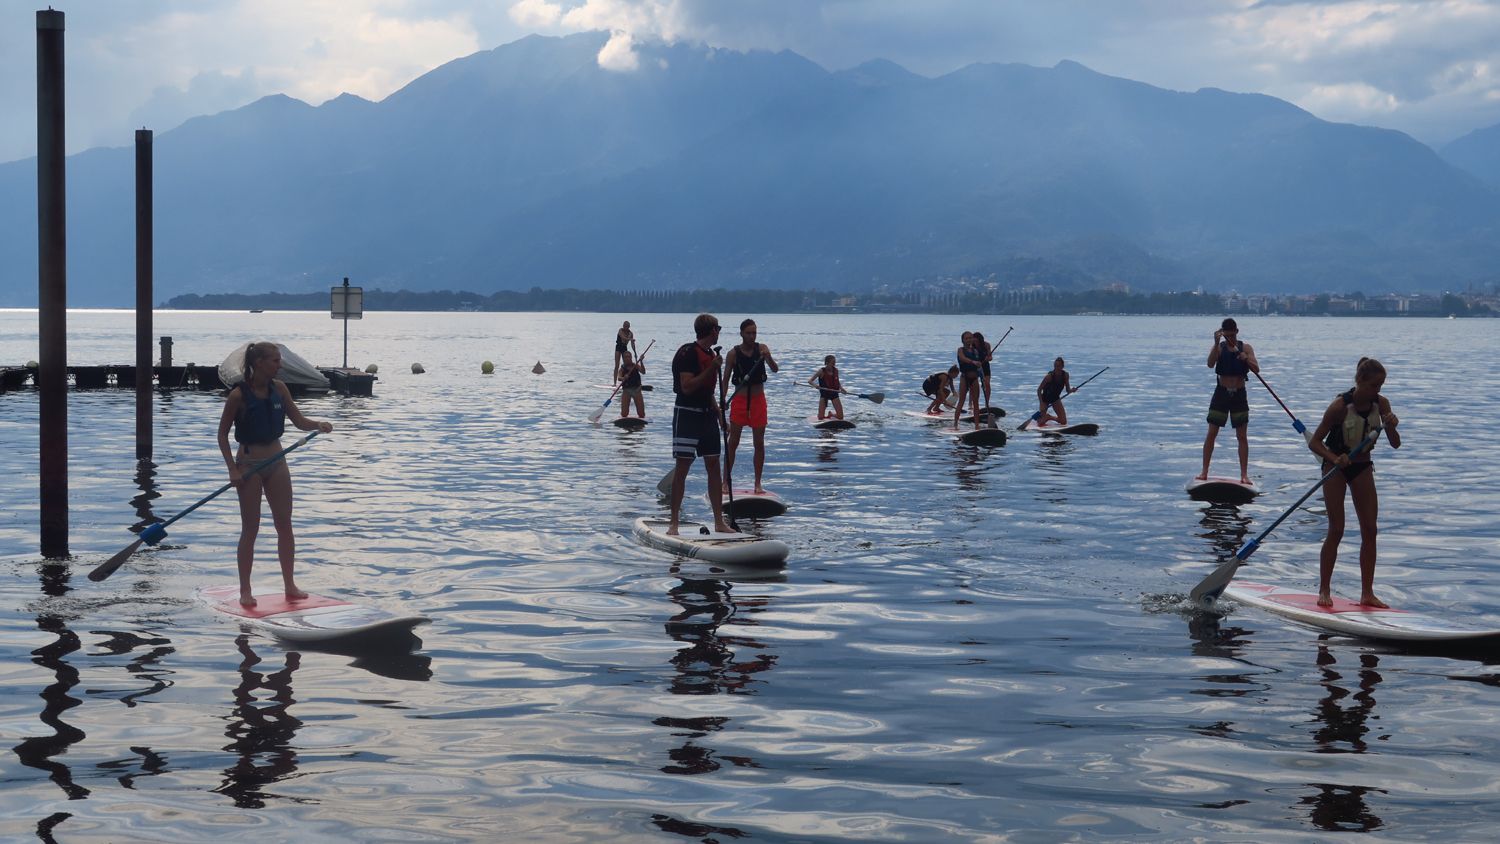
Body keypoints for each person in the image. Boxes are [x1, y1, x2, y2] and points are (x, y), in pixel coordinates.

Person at [217, 342, 334, 607]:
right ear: (259, 363)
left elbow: (300, 422)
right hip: (249, 466)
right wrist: (232, 469)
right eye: (275, 361)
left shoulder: (279, 389)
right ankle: (245, 590)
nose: (279, 365)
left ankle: (290, 585)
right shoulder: (238, 395)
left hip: (277, 462)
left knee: (284, 524)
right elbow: (222, 435)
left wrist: (319, 424)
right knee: (251, 528)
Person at [1310, 357, 1400, 608]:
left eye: (1380, 386)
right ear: (1360, 381)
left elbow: (1395, 443)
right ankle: (1324, 589)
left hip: (1362, 466)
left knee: (1370, 529)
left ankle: (1367, 593)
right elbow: (1315, 442)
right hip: (1335, 467)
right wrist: (1333, 458)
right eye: (1373, 385)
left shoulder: (1382, 404)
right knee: (1336, 529)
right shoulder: (1339, 407)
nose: (1377, 391)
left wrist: (1391, 426)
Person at [667, 314, 729, 536]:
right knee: (683, 467)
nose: (719, 332)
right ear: (712, 331)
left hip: (707, 415)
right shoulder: (687, 353)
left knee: (714, 466)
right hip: (687, 415)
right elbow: (687, 387)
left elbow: (708, 391)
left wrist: (719, 414)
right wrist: (712, 368)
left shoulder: (711, 354)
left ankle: (719, 521)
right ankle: (674, 523)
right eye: (718, 328)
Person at [1198, 318, 1260, 485]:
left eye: (1232, 335)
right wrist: (1215, 343)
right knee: (1212, 433)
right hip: (1221, 394)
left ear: (1237, 332)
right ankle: (1204, 471)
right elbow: (1210, 364)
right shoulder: (1219, 348)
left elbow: (1256, 368)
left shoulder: (1246, 348)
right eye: (1227, 336)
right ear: (1223, 333)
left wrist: (1246, 358)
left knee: (1242, 436)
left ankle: (1244, 475)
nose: (1230, 338)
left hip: (1239, 395)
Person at [722, 319, 779, 494]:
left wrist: (768, 356)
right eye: (748, 333)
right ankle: (725, 482)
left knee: (759, 443)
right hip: (739, 401)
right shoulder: (733, 354)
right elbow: (725, 380)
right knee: (733, 442)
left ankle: (757, 483)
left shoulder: (762, 349)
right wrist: (722, 400)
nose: (752, 336)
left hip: (758, 401)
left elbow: (775, 369)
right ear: (741, 333)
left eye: (754, 333)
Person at [953, 332, 984, 430]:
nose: (969, 340)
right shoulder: (960, 350)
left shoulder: (975, 351)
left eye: (970, 338)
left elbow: (980, 366)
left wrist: (983, 378)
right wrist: (973, 362)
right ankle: (955, 424)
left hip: (975, 379)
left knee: (976, 402)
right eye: (966, 338)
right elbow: (963, 358)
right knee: (961, 401)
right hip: (964, 378)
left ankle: (977, 425)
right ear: (963, 340)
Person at [1035, 357, 1073, 427]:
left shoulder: (1065, 375)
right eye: (1055, 366)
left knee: (1063, 422)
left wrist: (1072, 390)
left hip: (1055, 398)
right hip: (1045, 399)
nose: (1056, 368)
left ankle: (1049, 417)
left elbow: (1068, 390)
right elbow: (1039, 390)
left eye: (1058, 366)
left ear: (1062, 366)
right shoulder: (1049, 377)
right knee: (1040, 423)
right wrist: (1041, 403)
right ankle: (1042, 417)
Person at [809, 355, 845, 421]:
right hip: (824, 394)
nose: (834, 364)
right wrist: (816, 386)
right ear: (827, 363)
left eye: (835, 362)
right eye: (832, 362)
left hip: (834, 394)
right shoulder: (821, 371)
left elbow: (837, 381)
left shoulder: (836, 371)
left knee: (840, 417)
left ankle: (831, 415)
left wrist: (841, 388)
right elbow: (810, 381)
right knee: (820, 418)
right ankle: (823, 415)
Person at [617, 349, 646, 419]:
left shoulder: (635, 365)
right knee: (624, 414)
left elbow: (643, 372)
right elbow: (619, 377)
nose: (627, 358)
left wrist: (641, 361)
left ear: (631, 358)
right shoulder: (622, 368)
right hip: (626, 391)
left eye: (629, 357)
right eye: (626, 357)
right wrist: (623, 378)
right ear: (623, 359)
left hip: (637, 390)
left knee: (641, 414)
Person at [974, 331, 994, 410]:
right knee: (974, 385)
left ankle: (987, 403)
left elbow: (990, 357)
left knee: (987, 384)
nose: (975, 342)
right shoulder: (971, 346)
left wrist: (987, 358)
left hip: (985, 366)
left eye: (977, 341)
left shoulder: (986, 345)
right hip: (975, 366)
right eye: (974, 341)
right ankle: (971, 403)